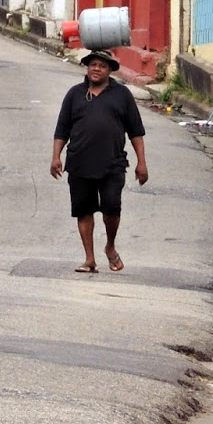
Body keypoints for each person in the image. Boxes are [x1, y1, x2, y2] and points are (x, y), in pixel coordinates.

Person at [50, 49, 148, 274]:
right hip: (79, 163)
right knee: (83, 210)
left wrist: (141, 162)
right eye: (93, 64)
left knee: (112, 207)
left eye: (102, 66)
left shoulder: (122, 95)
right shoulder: (74, 94)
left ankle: (110, 246)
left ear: (109, 71)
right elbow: (62, 128)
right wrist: (56, 157)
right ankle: (89, 258)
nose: (96, 69)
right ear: (87, 67)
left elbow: (135, 131)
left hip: (112, 163)